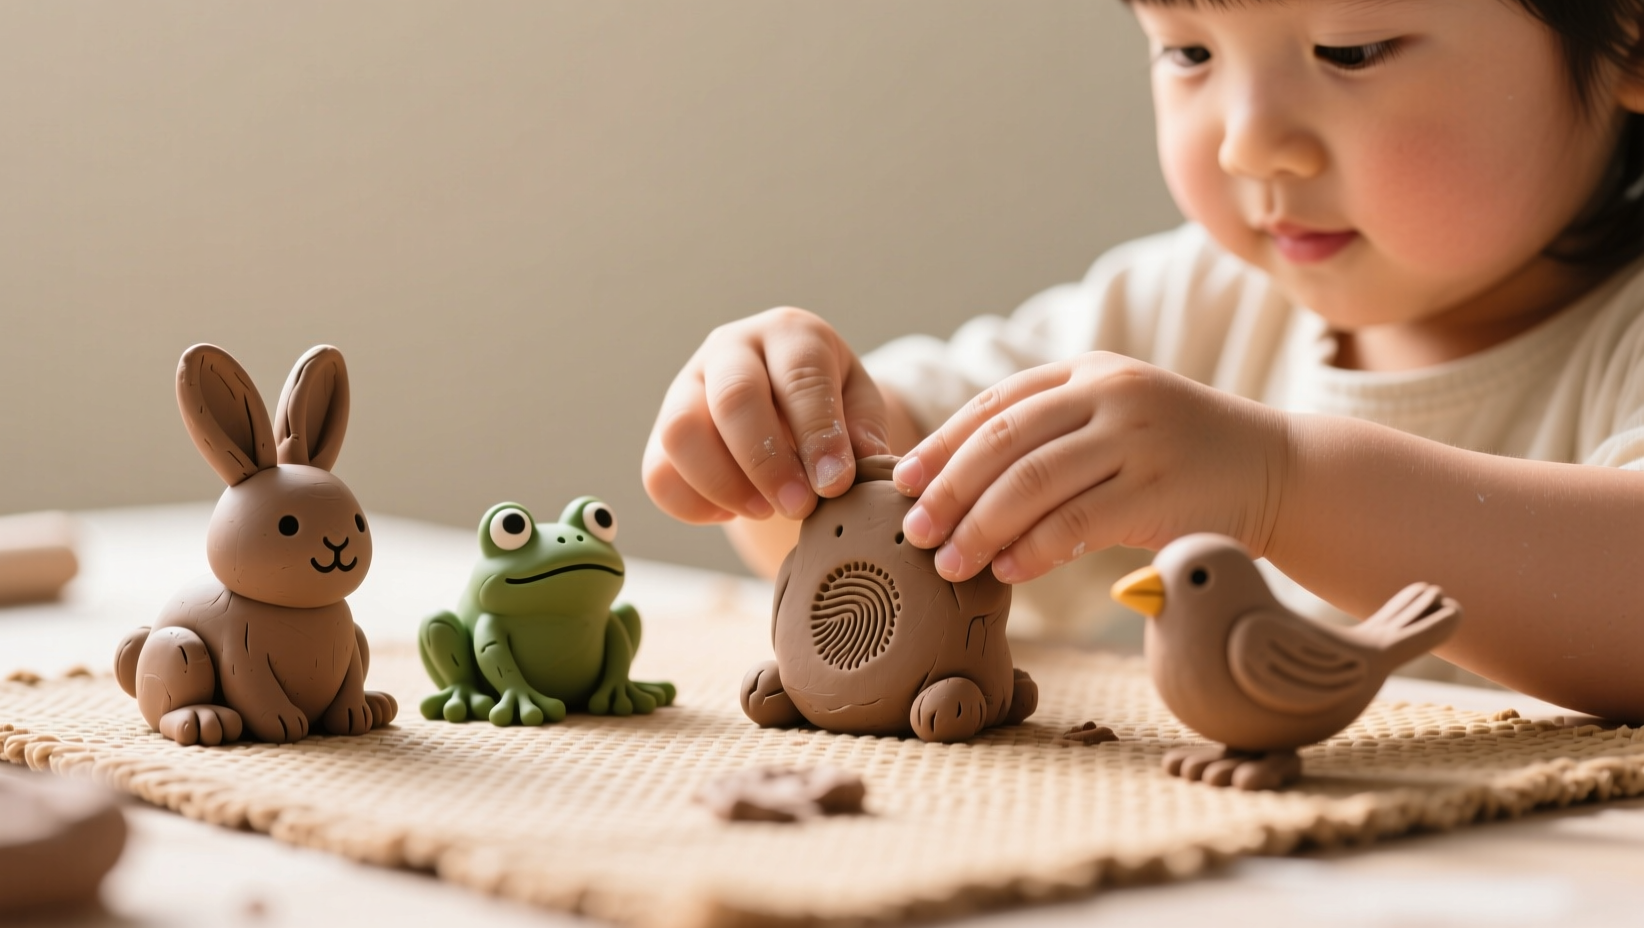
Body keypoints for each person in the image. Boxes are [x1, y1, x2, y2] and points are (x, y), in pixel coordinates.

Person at [643, 0, 1644, 721]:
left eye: (1349, 50)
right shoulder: (1183, 303)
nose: (1247, 143)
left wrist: (1276, 484)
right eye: (1187, 51)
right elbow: (913, 500)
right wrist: (799, 438)